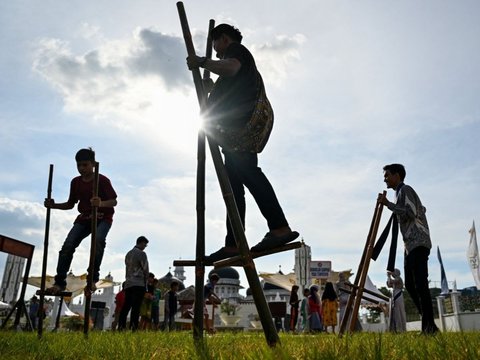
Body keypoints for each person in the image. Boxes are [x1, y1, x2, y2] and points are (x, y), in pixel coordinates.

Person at [187, 23, 298, 262]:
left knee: (247, 172)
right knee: (233, 185)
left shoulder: (237, 51)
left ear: (223, 39)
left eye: (216, 46)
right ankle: (234, 242)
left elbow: (230, 68)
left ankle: (279, 227)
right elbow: (228, 85)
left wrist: (203, 62)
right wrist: (210, 87)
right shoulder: (233, 62)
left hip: (241, 127)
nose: (216, 52)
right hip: (233, 131)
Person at [44, 148, 117, 294]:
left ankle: (92, 279)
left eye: (85, 165)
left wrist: (100, 203)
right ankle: (60, 283)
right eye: (79, 165)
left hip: (103, 218)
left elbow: (114, 201)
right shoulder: (76, 182)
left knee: (98, 241)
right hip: (84, 218)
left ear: (93, 164)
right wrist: (54, 205)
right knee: (68, 246)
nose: (81, 168)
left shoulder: (102, 180)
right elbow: (70, 204)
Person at [377, 163, 439, 335]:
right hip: (409, 246)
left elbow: (409, 213)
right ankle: (429, 324)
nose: (385, 179)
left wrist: (388, 204)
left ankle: (428, 327)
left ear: (397, 175)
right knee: (411, 285)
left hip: (418, 242)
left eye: (387, 175)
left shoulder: (406, 190)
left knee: (420, 285)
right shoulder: (399, 194)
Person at [118, 236, 150, 331]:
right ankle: (133, 327)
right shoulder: (142, 254)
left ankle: (121, 326)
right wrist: (146, 283)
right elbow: (145, 270)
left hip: (128, 283)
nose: (145, 246)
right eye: (145, 244)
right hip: (139, 283)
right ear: (141, 243)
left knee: (126, 306)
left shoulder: (128, 254)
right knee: (136, 307)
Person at [386, 268, 407, 332]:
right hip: (395, 295)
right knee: (396, 312)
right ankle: (398, 328)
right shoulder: (396, 279)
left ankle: (402, 328)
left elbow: (392, 282)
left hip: (398, 295)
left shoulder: (398, 278)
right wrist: (388, 277)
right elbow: (389, 285)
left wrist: (389, 276)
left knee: (400, 311)